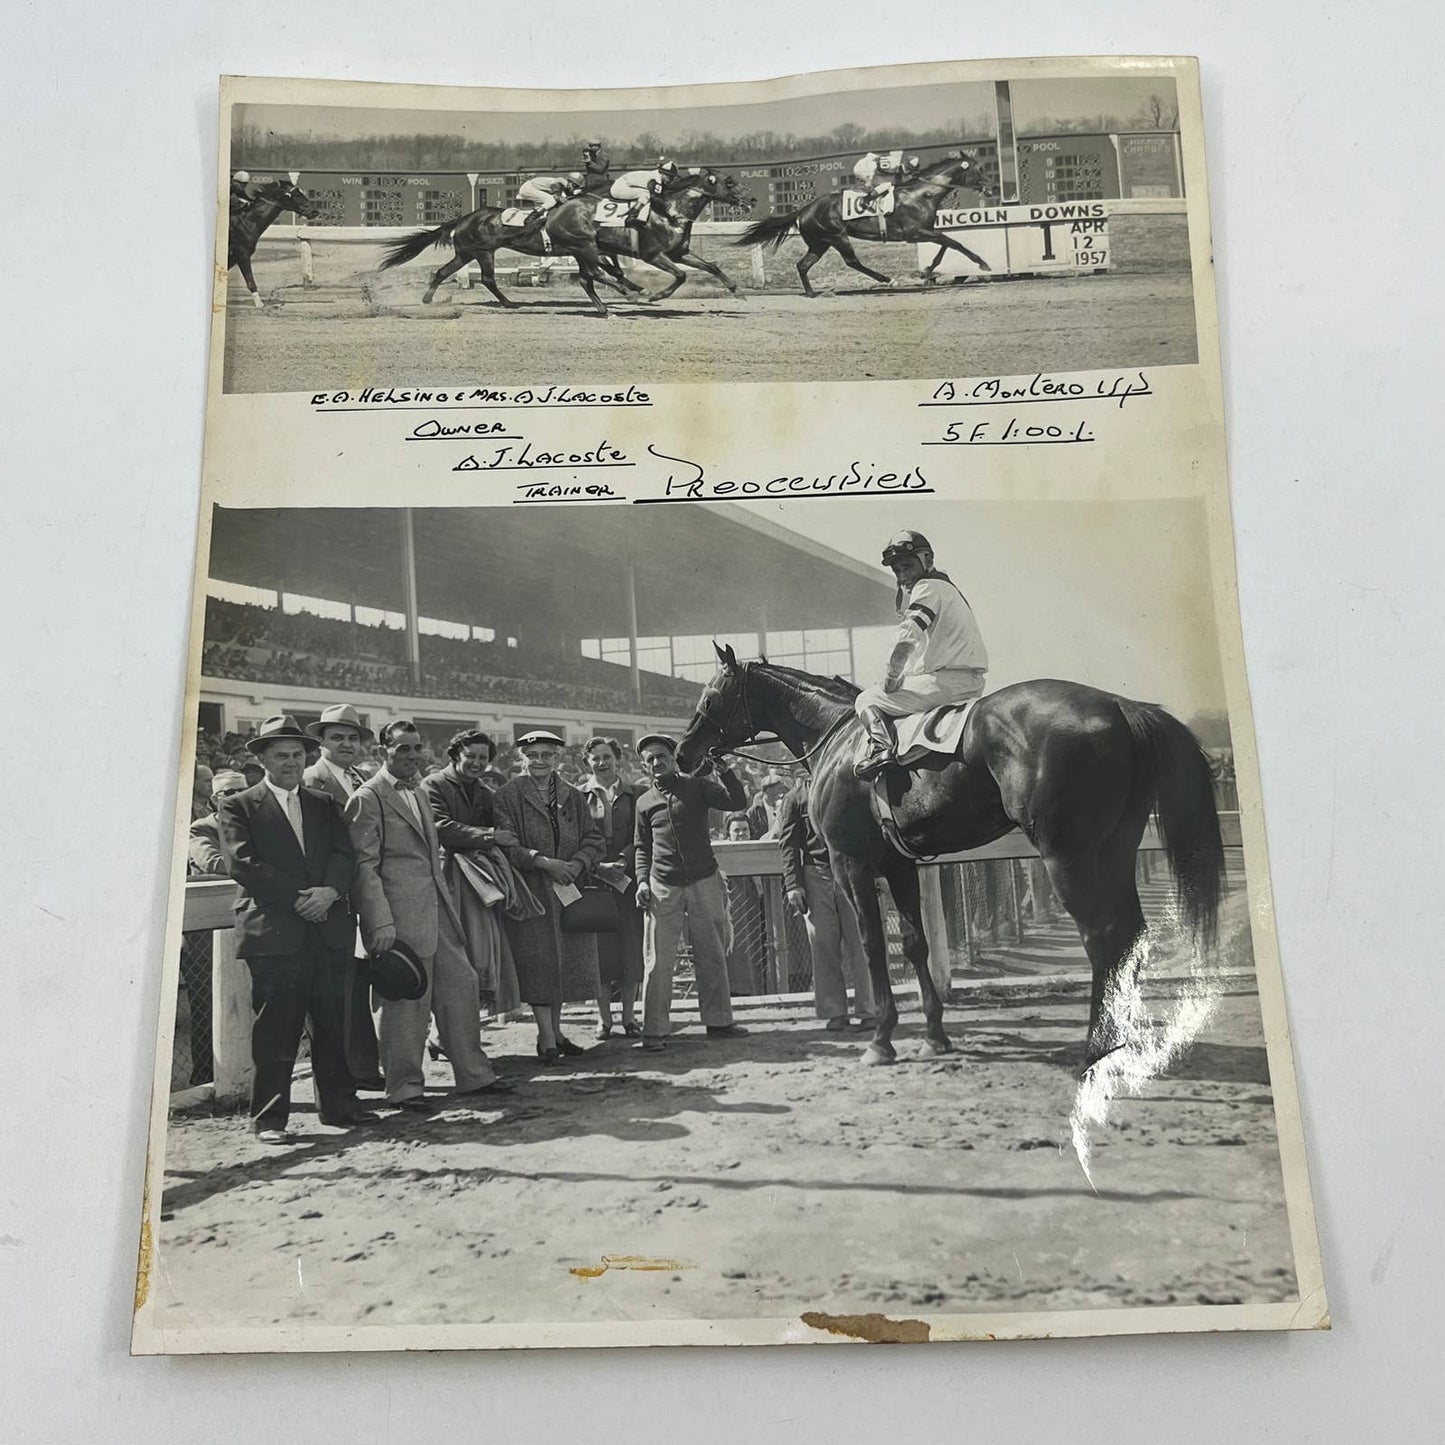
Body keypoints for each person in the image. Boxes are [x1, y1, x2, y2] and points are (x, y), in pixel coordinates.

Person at [215, 715, 376, 1144]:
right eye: (281, 755)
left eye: (297, 755)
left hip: (326, 927)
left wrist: (328, 892)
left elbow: (345, 855)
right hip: (274, 932)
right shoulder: (238, 805)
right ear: (262, 758)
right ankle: (269, 1120)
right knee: (276, 1029)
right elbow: (242, 863)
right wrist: (302, 899)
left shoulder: (323, 803)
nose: (291, 762)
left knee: (330, 1023)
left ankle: (339, 1108)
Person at [346, 720, 514, 1112]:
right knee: (405, 1004)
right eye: (402, 748)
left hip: (437, 910)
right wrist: (379, 923)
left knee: (462, 987)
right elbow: (364, 868)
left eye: (416, 748)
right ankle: (404, 1087)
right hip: (397, 919)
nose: (411, 755)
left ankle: (474, 1075)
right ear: (382, 752)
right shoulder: (368, 797)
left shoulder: (419, 792)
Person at [492, 730, 606, 1064]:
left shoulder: (571, 794)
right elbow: (507, 844)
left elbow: (592, 839)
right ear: (522, 759)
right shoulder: (507, 795)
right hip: (531, 892)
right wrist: (542, 862)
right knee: (539, 964)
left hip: (568, 889)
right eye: (533, 756)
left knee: (563, 966)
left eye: (547, 755)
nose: (540, 761)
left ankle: (556, 1033)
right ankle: (545, 1038)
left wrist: (577, 863)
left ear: (558, 758)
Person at [632, 733, 749, 1052]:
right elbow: (642, 846)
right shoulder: (644, 802)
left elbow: (738, 802)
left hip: (703, 879)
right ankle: (654, 1031)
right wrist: (642, 880)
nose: (657, 762)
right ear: (644, 765)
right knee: (657, 960)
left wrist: (724, 770)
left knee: (711, 953)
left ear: (673, 758)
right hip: (662, 884)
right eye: (650, 759)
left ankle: (720, 1022)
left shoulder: (697, 787)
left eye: (662, 756)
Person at [854, 529, 989, 779]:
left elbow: (906, 640)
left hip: (944, 684)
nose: (903, 575)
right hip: (968, 681)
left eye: (907, 566)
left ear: (926, 559)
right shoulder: (947, 588)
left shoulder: (926, 587)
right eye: (897, 570)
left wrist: (891, 678)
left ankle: (882, 751)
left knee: (866, 699)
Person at [302, 704, 384, 1091]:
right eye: (337, 737)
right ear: (321, 742)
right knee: (335, 991)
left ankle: (365, 1069)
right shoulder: (308, 781)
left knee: (362, 984)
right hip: (331, 899)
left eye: (353, 738)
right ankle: (344, 1078)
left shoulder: (361, 778)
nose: (347, 744)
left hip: (366, 894)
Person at [419, 729, 525, 1021]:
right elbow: (440, 827)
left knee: (482, 954)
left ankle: (462, 1028)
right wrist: (490, 835)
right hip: (447, 877)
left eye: (483, 758)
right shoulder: (433, 785)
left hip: (481, 882)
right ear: (455, 755)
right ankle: (444, 1029)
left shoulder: (485, 792)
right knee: (454, 954)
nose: (477, 763)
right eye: (470, 756)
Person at [777, 777, 879, 1030]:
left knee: (862, 941)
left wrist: (877, 873)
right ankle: (835, 1012)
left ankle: (871, 1009)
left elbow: (872, 829)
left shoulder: (847, 784)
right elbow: (788, 844)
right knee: (823, 945)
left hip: (852, 868)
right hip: (816, 875)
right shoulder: (795, 797)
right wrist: (793, 885)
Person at [579, 737, 644, 1040]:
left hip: (627, 881)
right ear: (587, 762)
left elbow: (643, 835)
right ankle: (604, 1019)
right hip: (592, 882)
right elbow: (573, 838)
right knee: (599, 953)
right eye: (596, 758)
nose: (602, 763)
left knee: (630, 948)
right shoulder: (577, 796)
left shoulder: (636, 794)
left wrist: (624, 860)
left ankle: (630, 1018)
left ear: (618, 760)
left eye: (607, 757)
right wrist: (594, 864)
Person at [720, 811, 765, 994]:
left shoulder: (756, 851)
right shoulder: (723, 854)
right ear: (728, 834)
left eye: (745, 830)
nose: (741, 834)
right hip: (733, 909)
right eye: (736, 830)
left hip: (756, 909)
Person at [188, 768, 248, 876]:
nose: (239, 797)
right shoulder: (201, 828)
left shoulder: (258, 825)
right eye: (229, 792)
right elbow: (212, 863)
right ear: (216, 800)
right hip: (216, 891)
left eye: (243, 791)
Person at [608, 158, 678, 225]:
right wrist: (669, 213)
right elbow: (656, 198)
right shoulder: (656, 179)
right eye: (670, 177)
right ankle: (633, 216)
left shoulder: (657, 175)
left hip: (625, 185)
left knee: (645, 193)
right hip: (619, 188)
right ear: (663, 174)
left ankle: (637, 215)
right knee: (646, 194)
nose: (670, 180)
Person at [746, 768, 792, 840]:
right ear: (769, 791)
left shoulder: (783, 807)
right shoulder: (754, 812)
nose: (783, 792)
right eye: (779, 789)